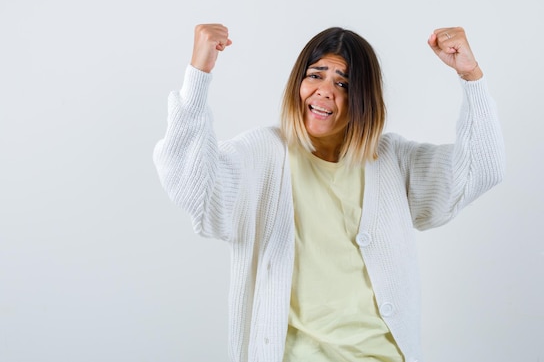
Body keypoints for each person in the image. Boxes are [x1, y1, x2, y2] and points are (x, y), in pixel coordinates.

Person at [153, 23, 505, 362]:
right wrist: (198, 74)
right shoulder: (263, 154)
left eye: (344, 83)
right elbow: (192, 184)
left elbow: (480, 169)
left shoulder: (391, 161)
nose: (325, 90)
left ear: (363, 100)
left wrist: (471, 75)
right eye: (315, 75)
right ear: (298, 83)